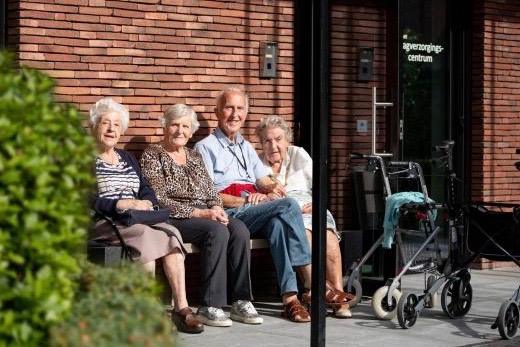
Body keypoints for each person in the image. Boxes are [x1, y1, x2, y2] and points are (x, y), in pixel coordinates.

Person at [195, 87, 349, 322]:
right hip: (231, 213)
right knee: (289, 206)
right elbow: (207, 194)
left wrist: (271, 190)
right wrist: (248, 199)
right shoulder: (205, 147)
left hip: (253, 211)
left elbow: (263, 180)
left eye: (240, 108)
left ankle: (290, 299)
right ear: (217, 112)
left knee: (278, 224)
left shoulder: (245, 147)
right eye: (229, 108)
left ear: (246, 112)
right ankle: (313, 281)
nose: (235, 114)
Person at [140, 103, 262, 327]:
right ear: (165, 127)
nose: (180, 131)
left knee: (238, 229)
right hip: (173, 216)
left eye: (185, 126)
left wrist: (216, 209)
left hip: (204, 215)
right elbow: (159, 199)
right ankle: (210, 305)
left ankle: (240, 300)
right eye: (175, 125)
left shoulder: (194, 156)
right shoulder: (153, 154)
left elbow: (210, 191)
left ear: (192, 130)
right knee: (216, 231)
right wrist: (201, 212)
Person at [88, 97, 204, 334]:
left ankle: (181, 308)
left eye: (117, 125)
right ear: (93, 126)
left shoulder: (127, 158)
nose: (111, 129)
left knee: (172, 232)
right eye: (105, 123)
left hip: (134, 219)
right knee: (144, 236)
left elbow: (146, 189)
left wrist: (147, 203)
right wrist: (120, 203)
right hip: (104, 221)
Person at [255, 115, 352, 318]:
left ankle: (339, 299)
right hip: (285, 212)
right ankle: (314, 290)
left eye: (278, 139)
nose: (273, 145)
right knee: (305, 237)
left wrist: (317, 203)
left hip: (310, 206)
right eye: (267, 140)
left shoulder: (299, 154)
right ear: (261, 143)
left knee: (330, 241)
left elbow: (318, 183)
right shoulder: (256, 163)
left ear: (287, 139)